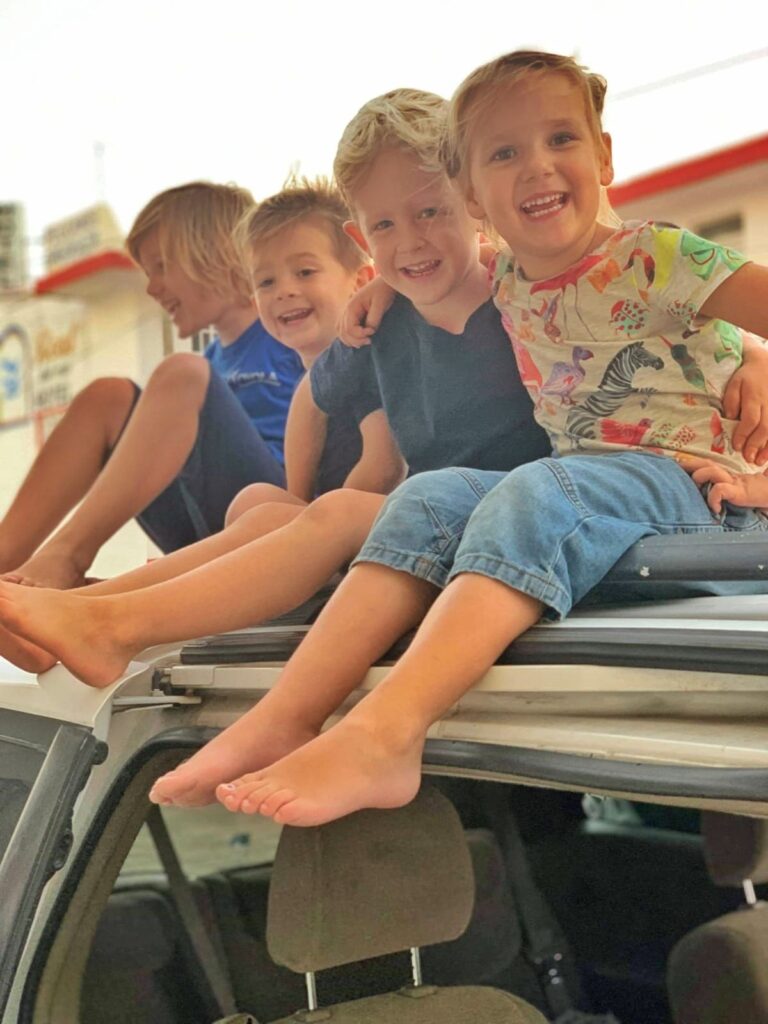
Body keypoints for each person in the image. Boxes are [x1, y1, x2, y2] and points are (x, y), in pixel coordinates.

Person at [1, 79, 767, 811]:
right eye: (386, 226)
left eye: (432, 210)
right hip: (460, 517)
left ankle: (108, 621)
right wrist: (381, 294)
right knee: (312, 508)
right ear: (362, 236)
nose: (412, 240)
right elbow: (317, 397)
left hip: (575, 505)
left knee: (343, 513)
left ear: (471, 202)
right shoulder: (399, 313)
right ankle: (110, 623)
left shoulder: (528, 284)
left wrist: (754, 357)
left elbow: (618, 268)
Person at [0, 182, 304, 590]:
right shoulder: (212, 361)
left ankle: (67, 556)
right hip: (204, 531)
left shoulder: (291, 328)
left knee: (181, 372)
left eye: (161, 266)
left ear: (216, 254)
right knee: (107, 396)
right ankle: (9, 564)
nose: (151, 286)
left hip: (273, 522)